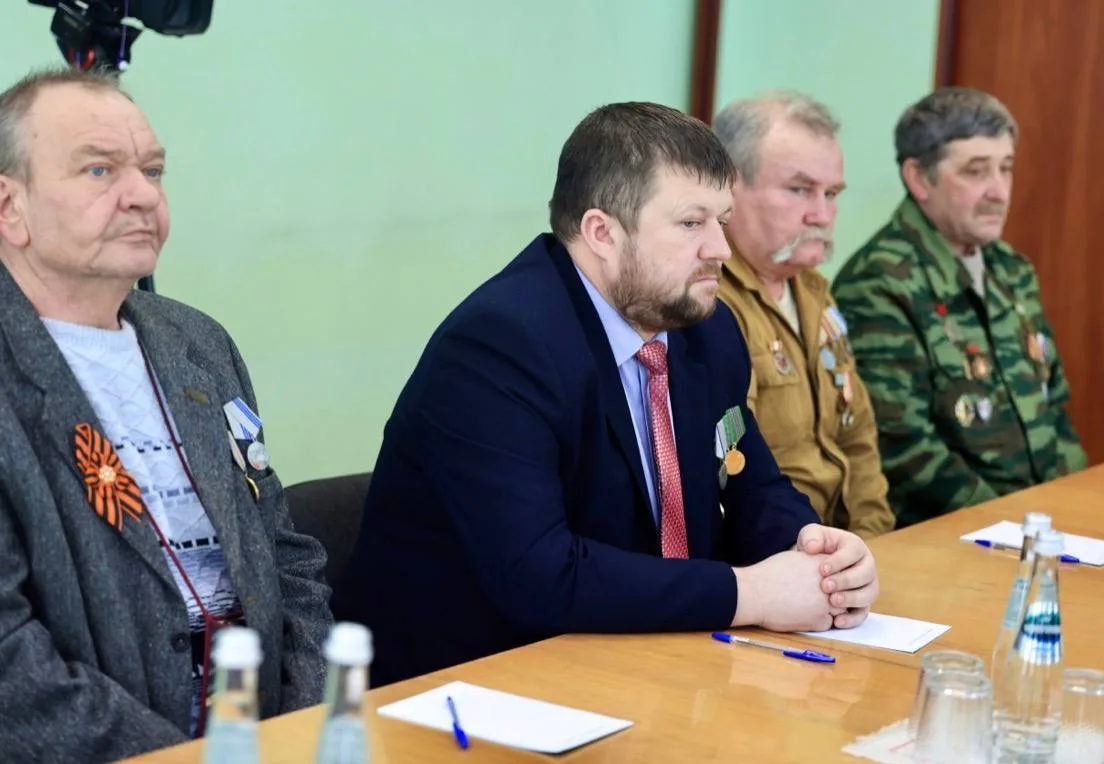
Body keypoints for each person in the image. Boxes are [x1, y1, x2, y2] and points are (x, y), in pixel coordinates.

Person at [333, 101, 879, 687]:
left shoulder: (707, 330)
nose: (720, 248)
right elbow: (539, 575)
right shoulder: (500, 346)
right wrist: (751, 592)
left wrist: (819, 557)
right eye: (691, 224)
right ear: (602, 233)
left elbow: (751, 483)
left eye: (722, 220)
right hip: (467, 684)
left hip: (637, 661)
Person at [0, 68, 332, 761]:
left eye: (152, 171)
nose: (143, 195)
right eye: (99, 170)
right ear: (11, 209)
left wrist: (299, 730)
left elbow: (286, 556)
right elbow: (10, 661)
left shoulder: (198, 343)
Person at [832, 87, 1087, 528]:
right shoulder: (879, 283)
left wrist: (1072, 512)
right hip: (948, 533)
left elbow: (1054, 410)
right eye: (976, 171)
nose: (999, 191)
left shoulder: (1012, 270)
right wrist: (1011, 525)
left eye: (1006, 168)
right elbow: (904, 447)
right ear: (919, 178)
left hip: (1037, 528)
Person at [711, 92, 893, 538]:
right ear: (728, 187)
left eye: (831, 194)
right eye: (799, 190)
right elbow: (730, 475)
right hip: (774, 553)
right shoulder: (708, 300)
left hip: (846, 550)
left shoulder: (813, 290)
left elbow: (858, 436)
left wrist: (875, 542)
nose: (823, 215)